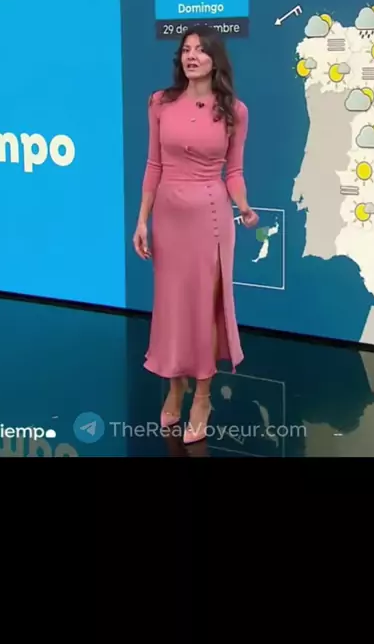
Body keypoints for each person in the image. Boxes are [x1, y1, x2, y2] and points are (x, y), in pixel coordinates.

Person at [133, 25, 258, 444]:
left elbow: (234, 171)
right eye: (186, 49)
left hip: (211, 219)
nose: (191, 56)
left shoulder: (234, 111)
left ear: (214, 59)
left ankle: (202, 398)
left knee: (205, 309)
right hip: (168, 218)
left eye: (200, 50)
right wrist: (142, 221)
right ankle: (175, 386)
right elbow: (153, 165)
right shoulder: (160, 103)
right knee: (172, 307)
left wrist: (243, 206)